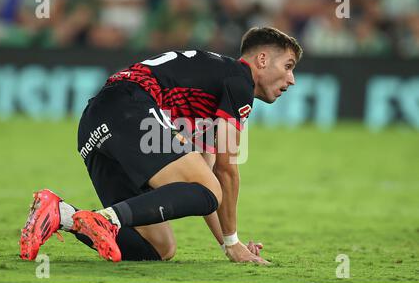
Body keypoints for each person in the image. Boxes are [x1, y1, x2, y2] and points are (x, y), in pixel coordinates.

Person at [19, 27, 302, 264]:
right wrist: (232, 240)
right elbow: (226, 171)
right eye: (288, 67)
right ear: (262, 59)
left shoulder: (212, 84)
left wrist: (230, 245)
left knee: (158, 248)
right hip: (129, 105)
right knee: (209, 189)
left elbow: (207, 170)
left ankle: (62, 214)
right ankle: (107, 218)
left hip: (95, 123)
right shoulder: (239, 79)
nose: (291, 79)